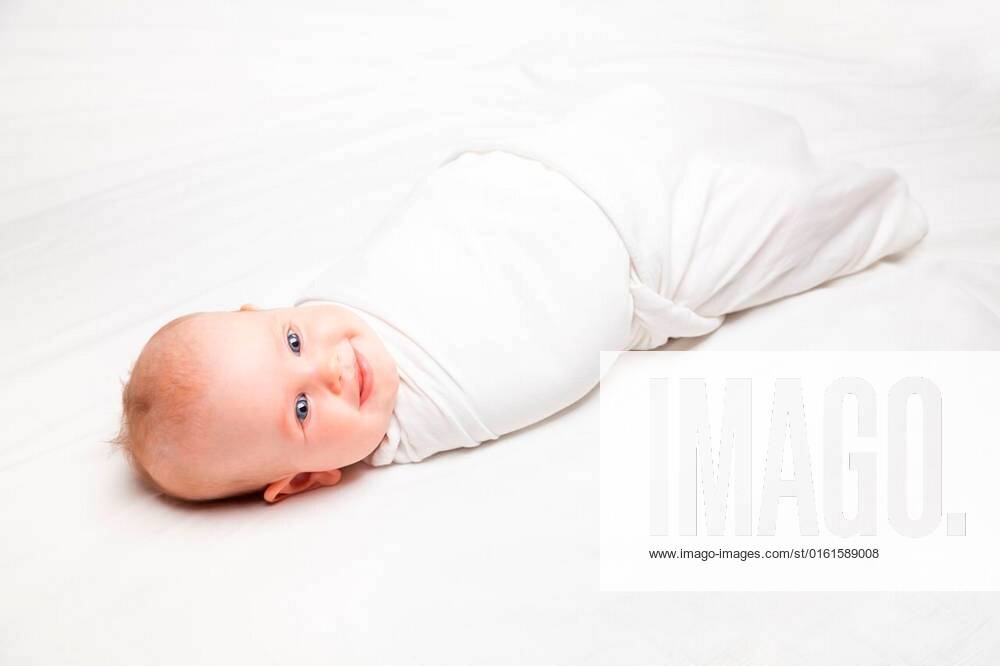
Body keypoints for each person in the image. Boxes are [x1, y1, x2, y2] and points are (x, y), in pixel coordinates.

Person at [113, 85, 928, 503]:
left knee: (659, 122)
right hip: (643, 263)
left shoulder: (337, 297)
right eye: (300, 411)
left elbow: (444, 218)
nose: (325, 370)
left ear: (266, 312)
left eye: (292, 344)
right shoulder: (402, 429)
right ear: (302, 480)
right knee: (782, 220)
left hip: (552, 182)